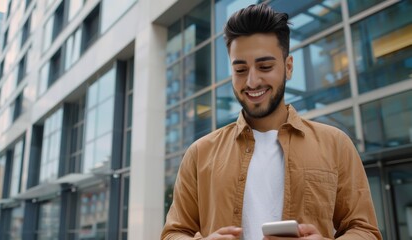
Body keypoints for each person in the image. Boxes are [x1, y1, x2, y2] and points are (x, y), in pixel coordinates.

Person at [161, 3, 382, 240]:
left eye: (265, 66)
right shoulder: (199, 153)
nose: (252, 81)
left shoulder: (336, 144)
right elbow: (174, 233)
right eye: (241, 70)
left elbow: (365, 230)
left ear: (288, 67)